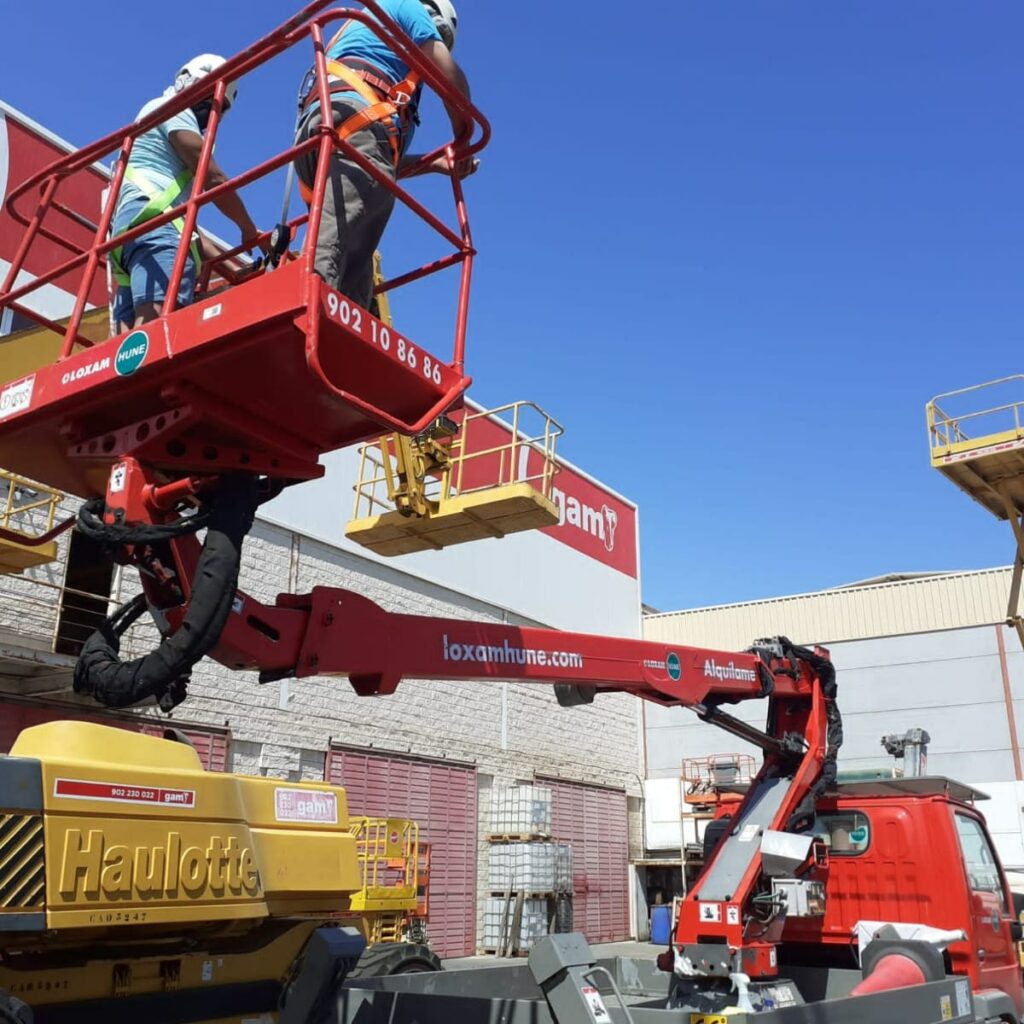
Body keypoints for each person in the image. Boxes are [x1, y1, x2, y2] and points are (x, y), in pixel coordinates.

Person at [294, 0, 477, 310]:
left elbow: (377, 162)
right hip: (355, 124)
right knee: (338, 257)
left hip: (323, 133)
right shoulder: (408, 6)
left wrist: (433, 164)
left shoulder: (366, 34)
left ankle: (338, 321)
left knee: (354, 254)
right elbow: (448, 74)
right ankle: (312, 313)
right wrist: (464, 139)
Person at [111, 55, 267, 332]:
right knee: (155, 328)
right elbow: (213, 178)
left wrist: (234, 270)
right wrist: (249, 229)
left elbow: (189, 230)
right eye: (213, 101)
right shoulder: (173, 110)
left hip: (129, 237)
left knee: (127, 346)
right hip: (154, 227)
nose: (211, 113)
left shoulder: (153, 130)